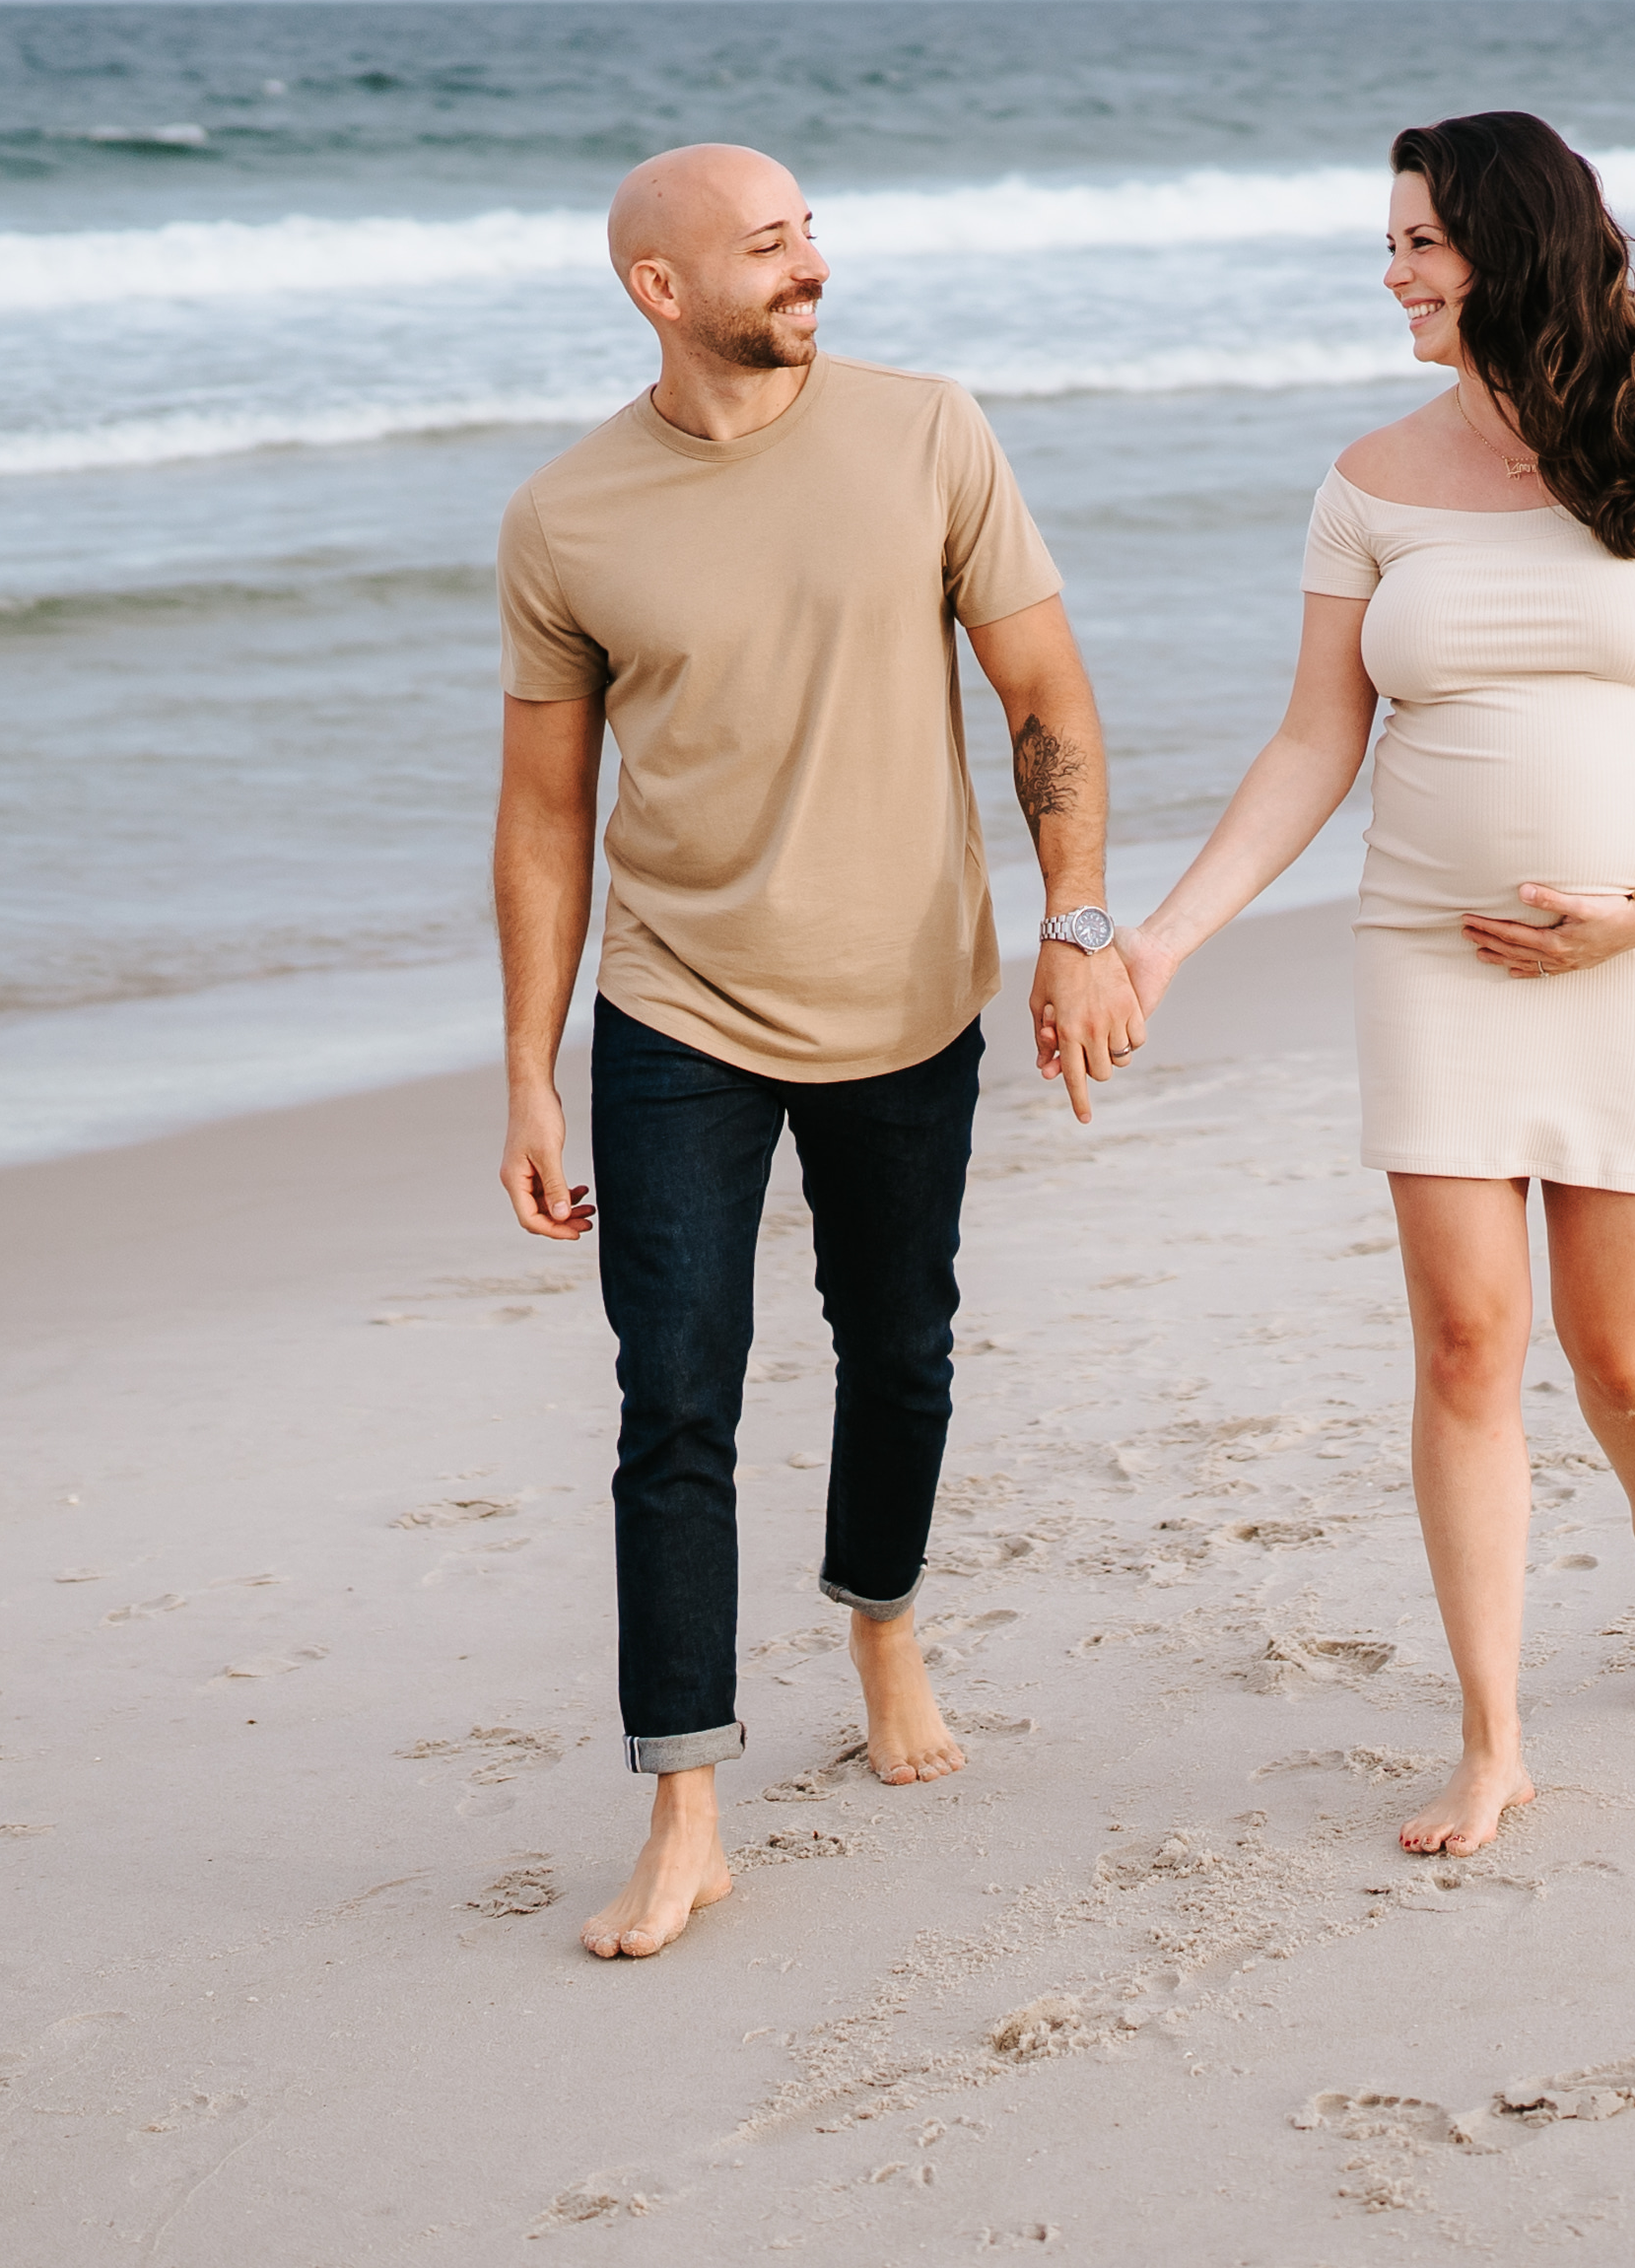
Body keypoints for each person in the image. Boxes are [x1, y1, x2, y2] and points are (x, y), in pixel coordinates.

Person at [1118, 112, 1635, 1858]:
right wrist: (1158, 940)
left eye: (1419, 243)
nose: (1393, 274)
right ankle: (1493, 1735)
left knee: (1623, 1351)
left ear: (1506, 248)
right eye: (1392, 243)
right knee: (1463, 1342)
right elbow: (1311, 746)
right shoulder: (1366, 480)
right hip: (1431, 951)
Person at [490, 144, 1146, 1962]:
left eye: (812, 236)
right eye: (772, 248)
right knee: (672, 1399)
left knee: (902, 1348)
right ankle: (686, 1807)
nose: (814, 270)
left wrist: (1076, 922)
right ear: (661, 288)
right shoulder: (566, 519)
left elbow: (1046, 699)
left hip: (907, 991)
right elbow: (545, 816)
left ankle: (880, 1621)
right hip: (675, 1007)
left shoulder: (929, 432)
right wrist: (534, 1072)